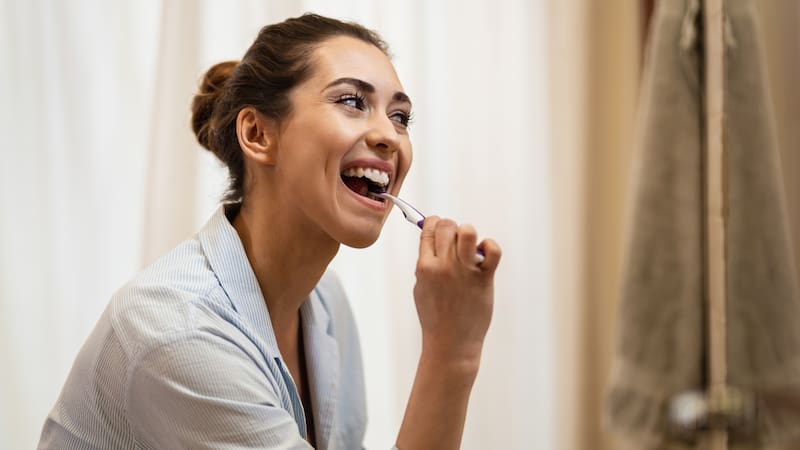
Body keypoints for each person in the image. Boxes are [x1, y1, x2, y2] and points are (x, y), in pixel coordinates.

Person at [39, 13, 501, 450]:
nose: (388, 135)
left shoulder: (326, 302)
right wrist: (452, 352)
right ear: (258, 134)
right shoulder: (177, 328)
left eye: (400, 117)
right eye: (351, 102)